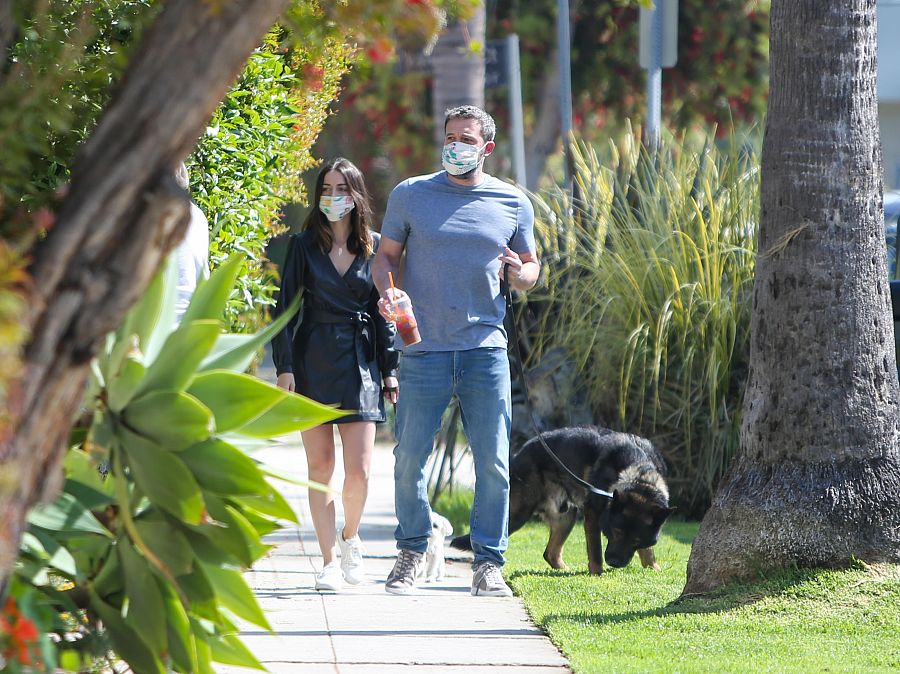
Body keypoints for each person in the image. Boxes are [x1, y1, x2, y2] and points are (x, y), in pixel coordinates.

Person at [373, 105, 540, 596]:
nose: (455, 145)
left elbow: (531, 268)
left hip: (484, 350)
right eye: (450, 136)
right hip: (422, 348)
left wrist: (520, 274)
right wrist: (388, 293)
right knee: (409, 460)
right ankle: (410, 550)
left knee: (492, 462)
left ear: (486, 147)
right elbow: (384, 259)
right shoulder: (411, 194)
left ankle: (488, 563)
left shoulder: (512, 202)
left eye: (466, 138)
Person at [271, 158, 400, 592]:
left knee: (360, 469)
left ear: (356, 194)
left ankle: (351, 538)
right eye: (325, 188)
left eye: (341, 188)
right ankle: (328, 562)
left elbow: (384, 315)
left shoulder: (375, 247)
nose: (332, 196)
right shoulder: (302, 244)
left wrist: (390, 370)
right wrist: (285, 367)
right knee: (320, 466)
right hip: (311, 359)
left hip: (361, 362)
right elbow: (285, 310)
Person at [173, 162, 210, 322]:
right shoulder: (198, 216)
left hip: (152, 326)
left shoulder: (154, 215)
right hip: (187, 321)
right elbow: (203, 275)